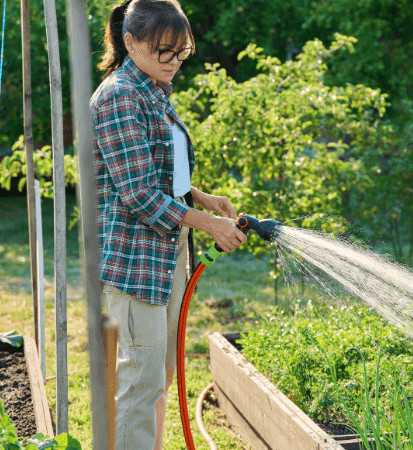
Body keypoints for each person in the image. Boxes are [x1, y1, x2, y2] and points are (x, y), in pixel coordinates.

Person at [90, 0, 247, 447]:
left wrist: (201, 197)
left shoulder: (152, 89)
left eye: (181, 53)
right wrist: (209, 225)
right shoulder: (120, 96)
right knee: (141, 380)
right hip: (136, 260)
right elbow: (139, 194)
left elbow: (160, 173)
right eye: (165, 52)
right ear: (131, 41)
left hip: (167, 251)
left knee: (159, 372)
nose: (175, 62)